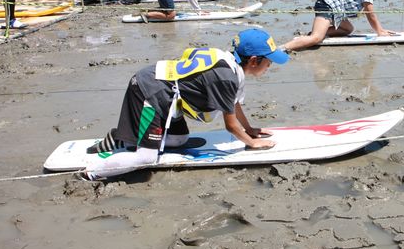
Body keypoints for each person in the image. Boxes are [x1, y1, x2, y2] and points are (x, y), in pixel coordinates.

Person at [79, 28, 289, 180]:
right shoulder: (227, 76)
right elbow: (230, 125)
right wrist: (252, 143)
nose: (270, 66)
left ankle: (123, 138)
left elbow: (234, 104)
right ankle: (90, 172)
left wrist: (250, 129)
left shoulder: (230, 64)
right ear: (253, 60)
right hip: (149, 92)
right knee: (146, 158)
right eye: (269, 62)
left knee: (180, 140)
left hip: (169, 96)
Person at [282, 0, 395, 51]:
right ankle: (283, 48)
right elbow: (371, 15)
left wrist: (382, 30)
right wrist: (380, 32)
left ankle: (316, 33)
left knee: (348, 29)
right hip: (327, 5)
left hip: (335, 9)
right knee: (316, 38)